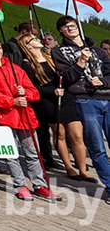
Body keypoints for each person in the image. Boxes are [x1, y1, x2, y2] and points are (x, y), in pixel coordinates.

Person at [0, 37, 57, 201]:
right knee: (11, 154)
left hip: (24, 116)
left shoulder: (15, 68)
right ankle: (21, 185)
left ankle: (40, 184)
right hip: (4, 116)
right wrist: (12, 101)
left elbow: (34, 92)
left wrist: (25, 93)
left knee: (33, 152)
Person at [51, 15, 110, 202]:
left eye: (73, 25)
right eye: (66, 27)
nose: (71, 29)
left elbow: (109, 72)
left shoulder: (99, 51)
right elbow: (66, 77)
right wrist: (81, 62)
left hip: (106, 97)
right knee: (97, 146)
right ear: (61, 31)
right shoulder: (59, 51)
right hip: (85, 100)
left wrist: (103, 81)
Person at [19, 33, 90, 181]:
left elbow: (65, 74)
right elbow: (32, 86)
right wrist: (52, 91)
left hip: (65, 96)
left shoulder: (50, 57)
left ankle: (83, 169)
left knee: (77, 134)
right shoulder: (27, 63)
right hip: (49, 100)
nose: (39, 40)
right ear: (28, 45)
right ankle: (69, 167)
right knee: (60, 135)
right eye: (34, 39)